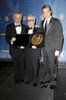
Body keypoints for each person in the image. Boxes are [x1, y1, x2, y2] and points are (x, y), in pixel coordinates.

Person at [40, 5, 64, 89]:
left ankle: (53, 81)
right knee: (46, 65)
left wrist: (58, 49)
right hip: (44, 48)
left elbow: (60, 36)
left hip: (53, 48)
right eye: (44, 12)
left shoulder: (56, 21)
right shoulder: (42, 22)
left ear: (50, 12)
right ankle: (47, 79)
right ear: (42, 13)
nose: (46, 14)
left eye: (47, 12)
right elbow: (42, 36)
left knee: (53, 65)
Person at [5, 11, 27, 84]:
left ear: (21, 18)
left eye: (19, 18)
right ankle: (17, 78)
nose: (18, 20)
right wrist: (11, 40)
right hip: (13, 50)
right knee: (15, 65)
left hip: (22, 50)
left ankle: (22, 78)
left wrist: (24, 45)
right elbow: (6, 37)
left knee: (22, 64)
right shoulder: (9, 26)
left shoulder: (25, 27)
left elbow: (27, 39)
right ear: (13, 18)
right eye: (16, 18)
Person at [25, 15, 45, 87]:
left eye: (31, 20)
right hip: (27, 51)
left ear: (34, 21)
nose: (29, 22)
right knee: (28, 66)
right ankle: (30, 79)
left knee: (35, 67)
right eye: (28, 20)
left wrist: (36, 46)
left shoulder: (39, 29)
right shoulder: (25, 30)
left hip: (35, 51)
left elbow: (42, 41)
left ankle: (35, 80)